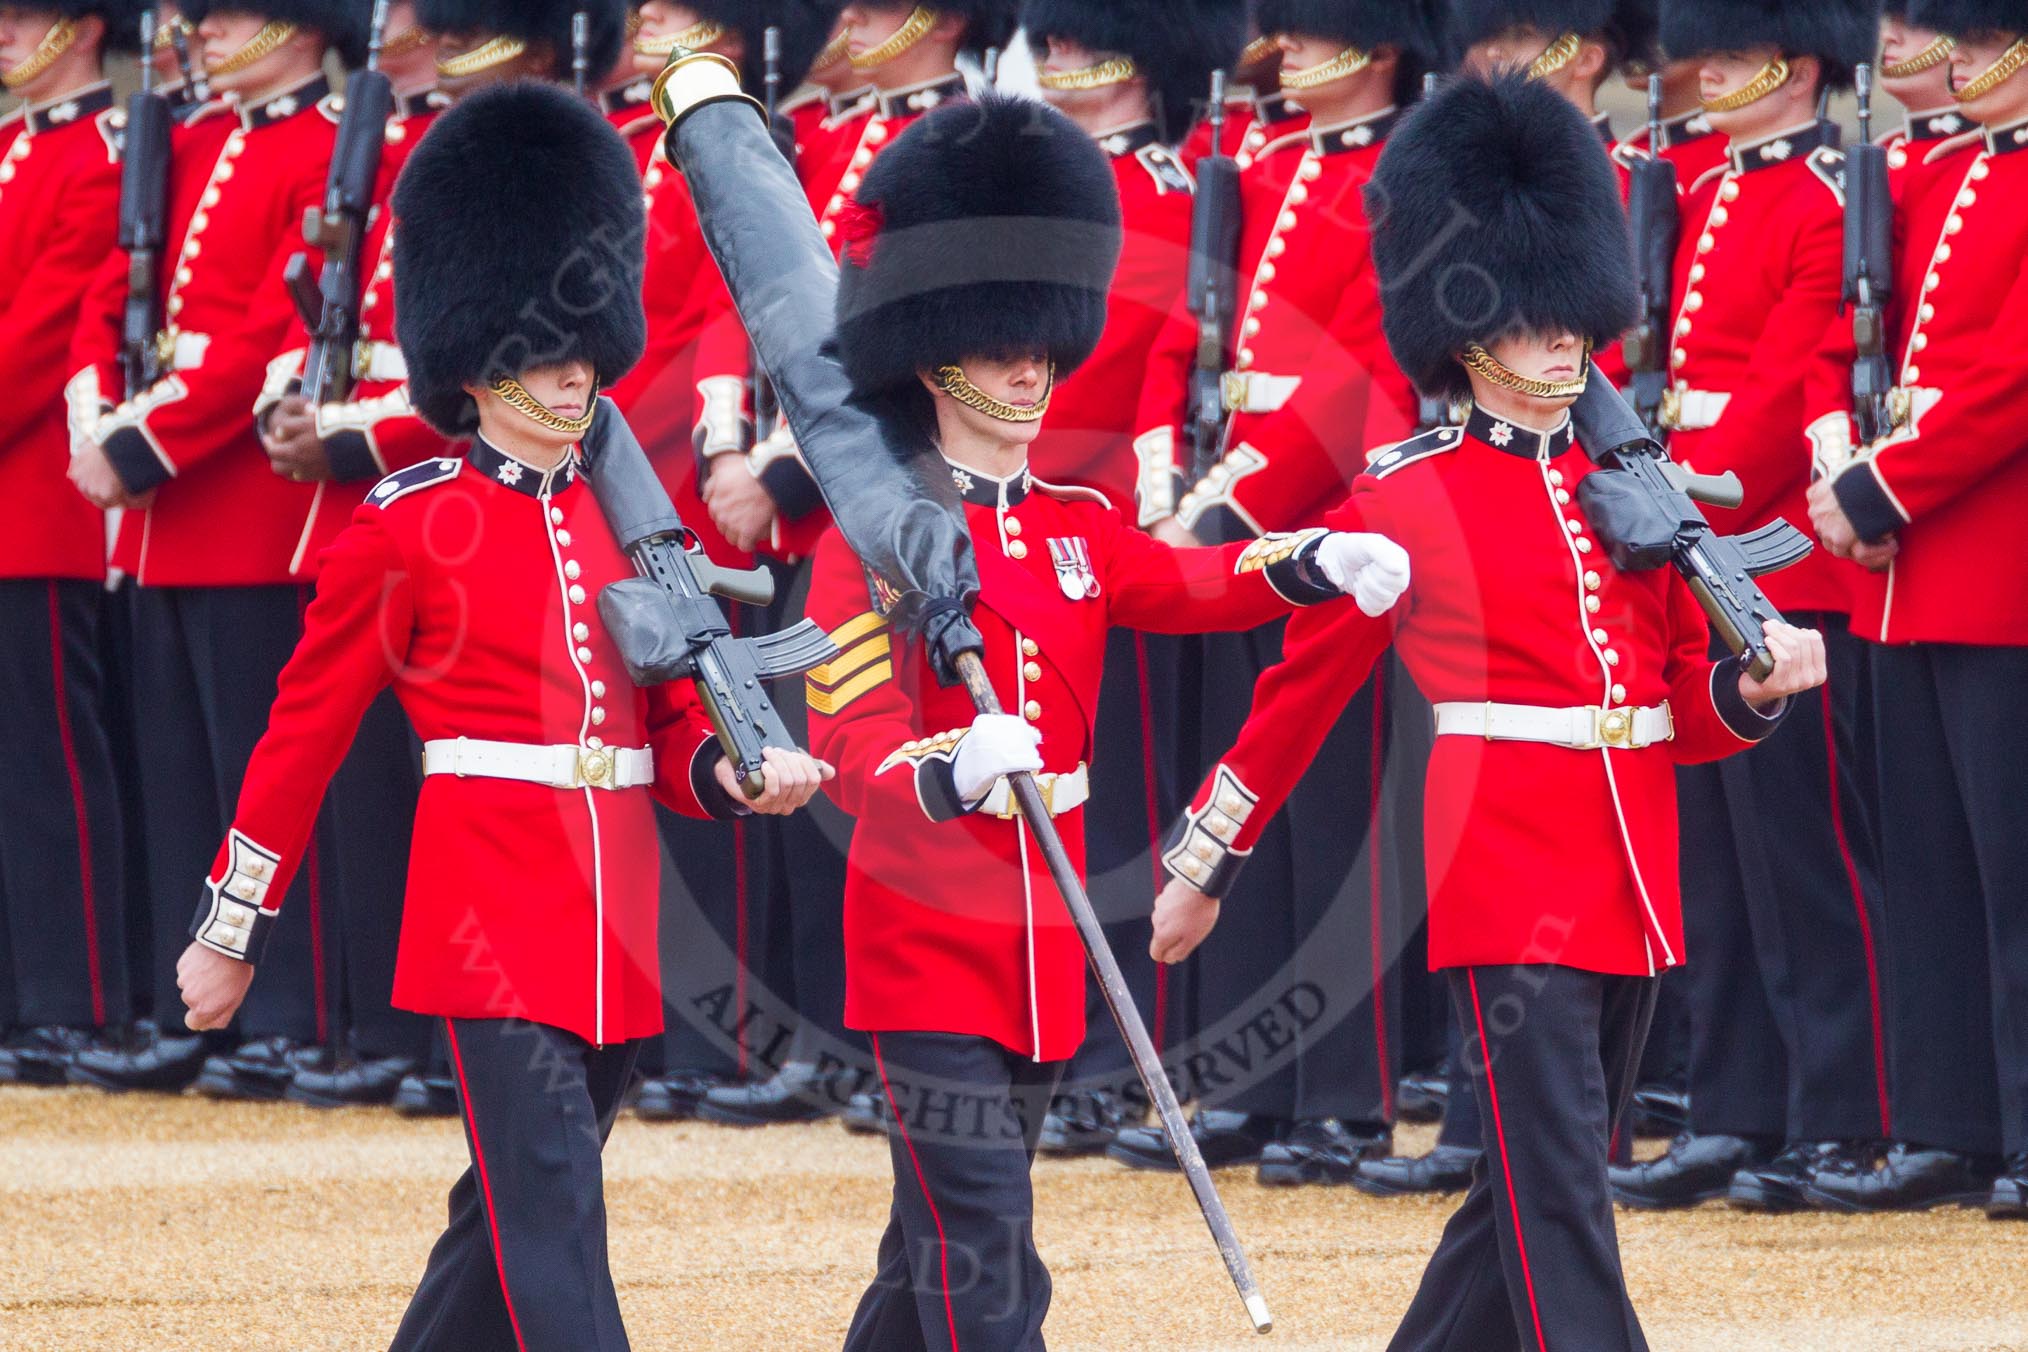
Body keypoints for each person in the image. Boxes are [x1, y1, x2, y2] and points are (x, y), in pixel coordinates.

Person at [1148, 72, 1827, 1350]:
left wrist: (1750, 688)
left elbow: (1677, 705)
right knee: (1564, 1190)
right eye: (1528, 326)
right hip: (1503, 876)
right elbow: (1296, 699)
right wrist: (1205, 861)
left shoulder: (1631, 492)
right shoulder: (1403, 500)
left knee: (1518, 1192)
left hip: (1634, 874)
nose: (1561, 346)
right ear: (1468, 336)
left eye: (1570, 319)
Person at [172, 81, 827, 1347]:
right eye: (544, 353)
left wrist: (735, 776)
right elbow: (298, 737)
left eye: (585, 347)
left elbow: (665, 732)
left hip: (616, 913)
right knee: (554, 1212)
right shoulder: (407, 523)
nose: (576, 372)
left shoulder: (630, 517)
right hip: (487, 909)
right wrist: (233, 921)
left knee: (507, 1212)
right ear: (474, 368)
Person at [807, 94, 1408, 1350]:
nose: (1030, 367)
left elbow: (1185, 582)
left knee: (927, 1263)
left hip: (1042, 938)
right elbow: (851, 738)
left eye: (1041, 341)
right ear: (933, 354)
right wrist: (948, 760)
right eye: (1000, 344)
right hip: (923, 938)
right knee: (988, 1259)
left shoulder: (1072, 523)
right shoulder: (868, 539)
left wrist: (1312, 558)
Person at [1110, 0, 1432, 1188]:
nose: (1287, 49)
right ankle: (1249, 1079)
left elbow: (1357, 370)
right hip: (1217, 513)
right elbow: (1178, 328)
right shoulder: (1264, 160)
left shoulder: (1406, 168)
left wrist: (1227, 506)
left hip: (1338, 517)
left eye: (1312, 30)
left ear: (1382, 43)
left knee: (1326, 812)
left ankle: (1348, 1092)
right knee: (1229, 795)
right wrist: (1159, 478)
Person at [1609, 0, 1891, 1215]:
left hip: (1781, 562)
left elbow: (1791, 382)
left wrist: (1680, 467)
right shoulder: (1702, 185)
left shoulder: (1826, 194)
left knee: (1804, 857)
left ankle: (1841, 1110)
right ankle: (1733, 1103)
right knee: (1715, 863)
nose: (1704, 67)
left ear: (1796, 60)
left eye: (1730, 48)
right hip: (1693, 553)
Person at [63, 0, 367, 1096]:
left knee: (260, 771)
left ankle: (289, 1009)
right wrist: (98, 410)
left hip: (242, 502)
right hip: (157, 523)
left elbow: (262, 341)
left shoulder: (325, 144)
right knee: (180, 772)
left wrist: (145, 440)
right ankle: (195, 1005)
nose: (203, 32)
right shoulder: (192, 140)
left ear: (292, 29)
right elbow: (113, 293)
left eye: (227, 15)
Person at [1809, 0, 2028, 1219]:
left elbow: (2011, 376)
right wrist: (1847, 459)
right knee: (1933, 868)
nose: (1927, 50)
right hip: (1901, 574)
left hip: (1999, 567)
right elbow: (1869, 336)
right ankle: (1947, 1121)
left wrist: (1884, 480)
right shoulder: (1937, 172)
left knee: (2017, 873)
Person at [1017, 0, 1246, 1155]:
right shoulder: (1055, 177)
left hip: (1098, 523)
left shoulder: (1161, 187)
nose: (1055, 54)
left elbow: (1110, 362)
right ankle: (1062, 1038)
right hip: (1012, 523)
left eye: (1073, 37)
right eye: (1047, 38)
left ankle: (1127, 1055)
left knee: (1124, 798)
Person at [0, 0, 136, 1087]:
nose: (5, 33)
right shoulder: (13, 148)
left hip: (36, 507)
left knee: (47, 766)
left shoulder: (100, 159)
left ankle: (76, 995)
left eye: (27, 16)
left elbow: (39, 336)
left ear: (85, 29)